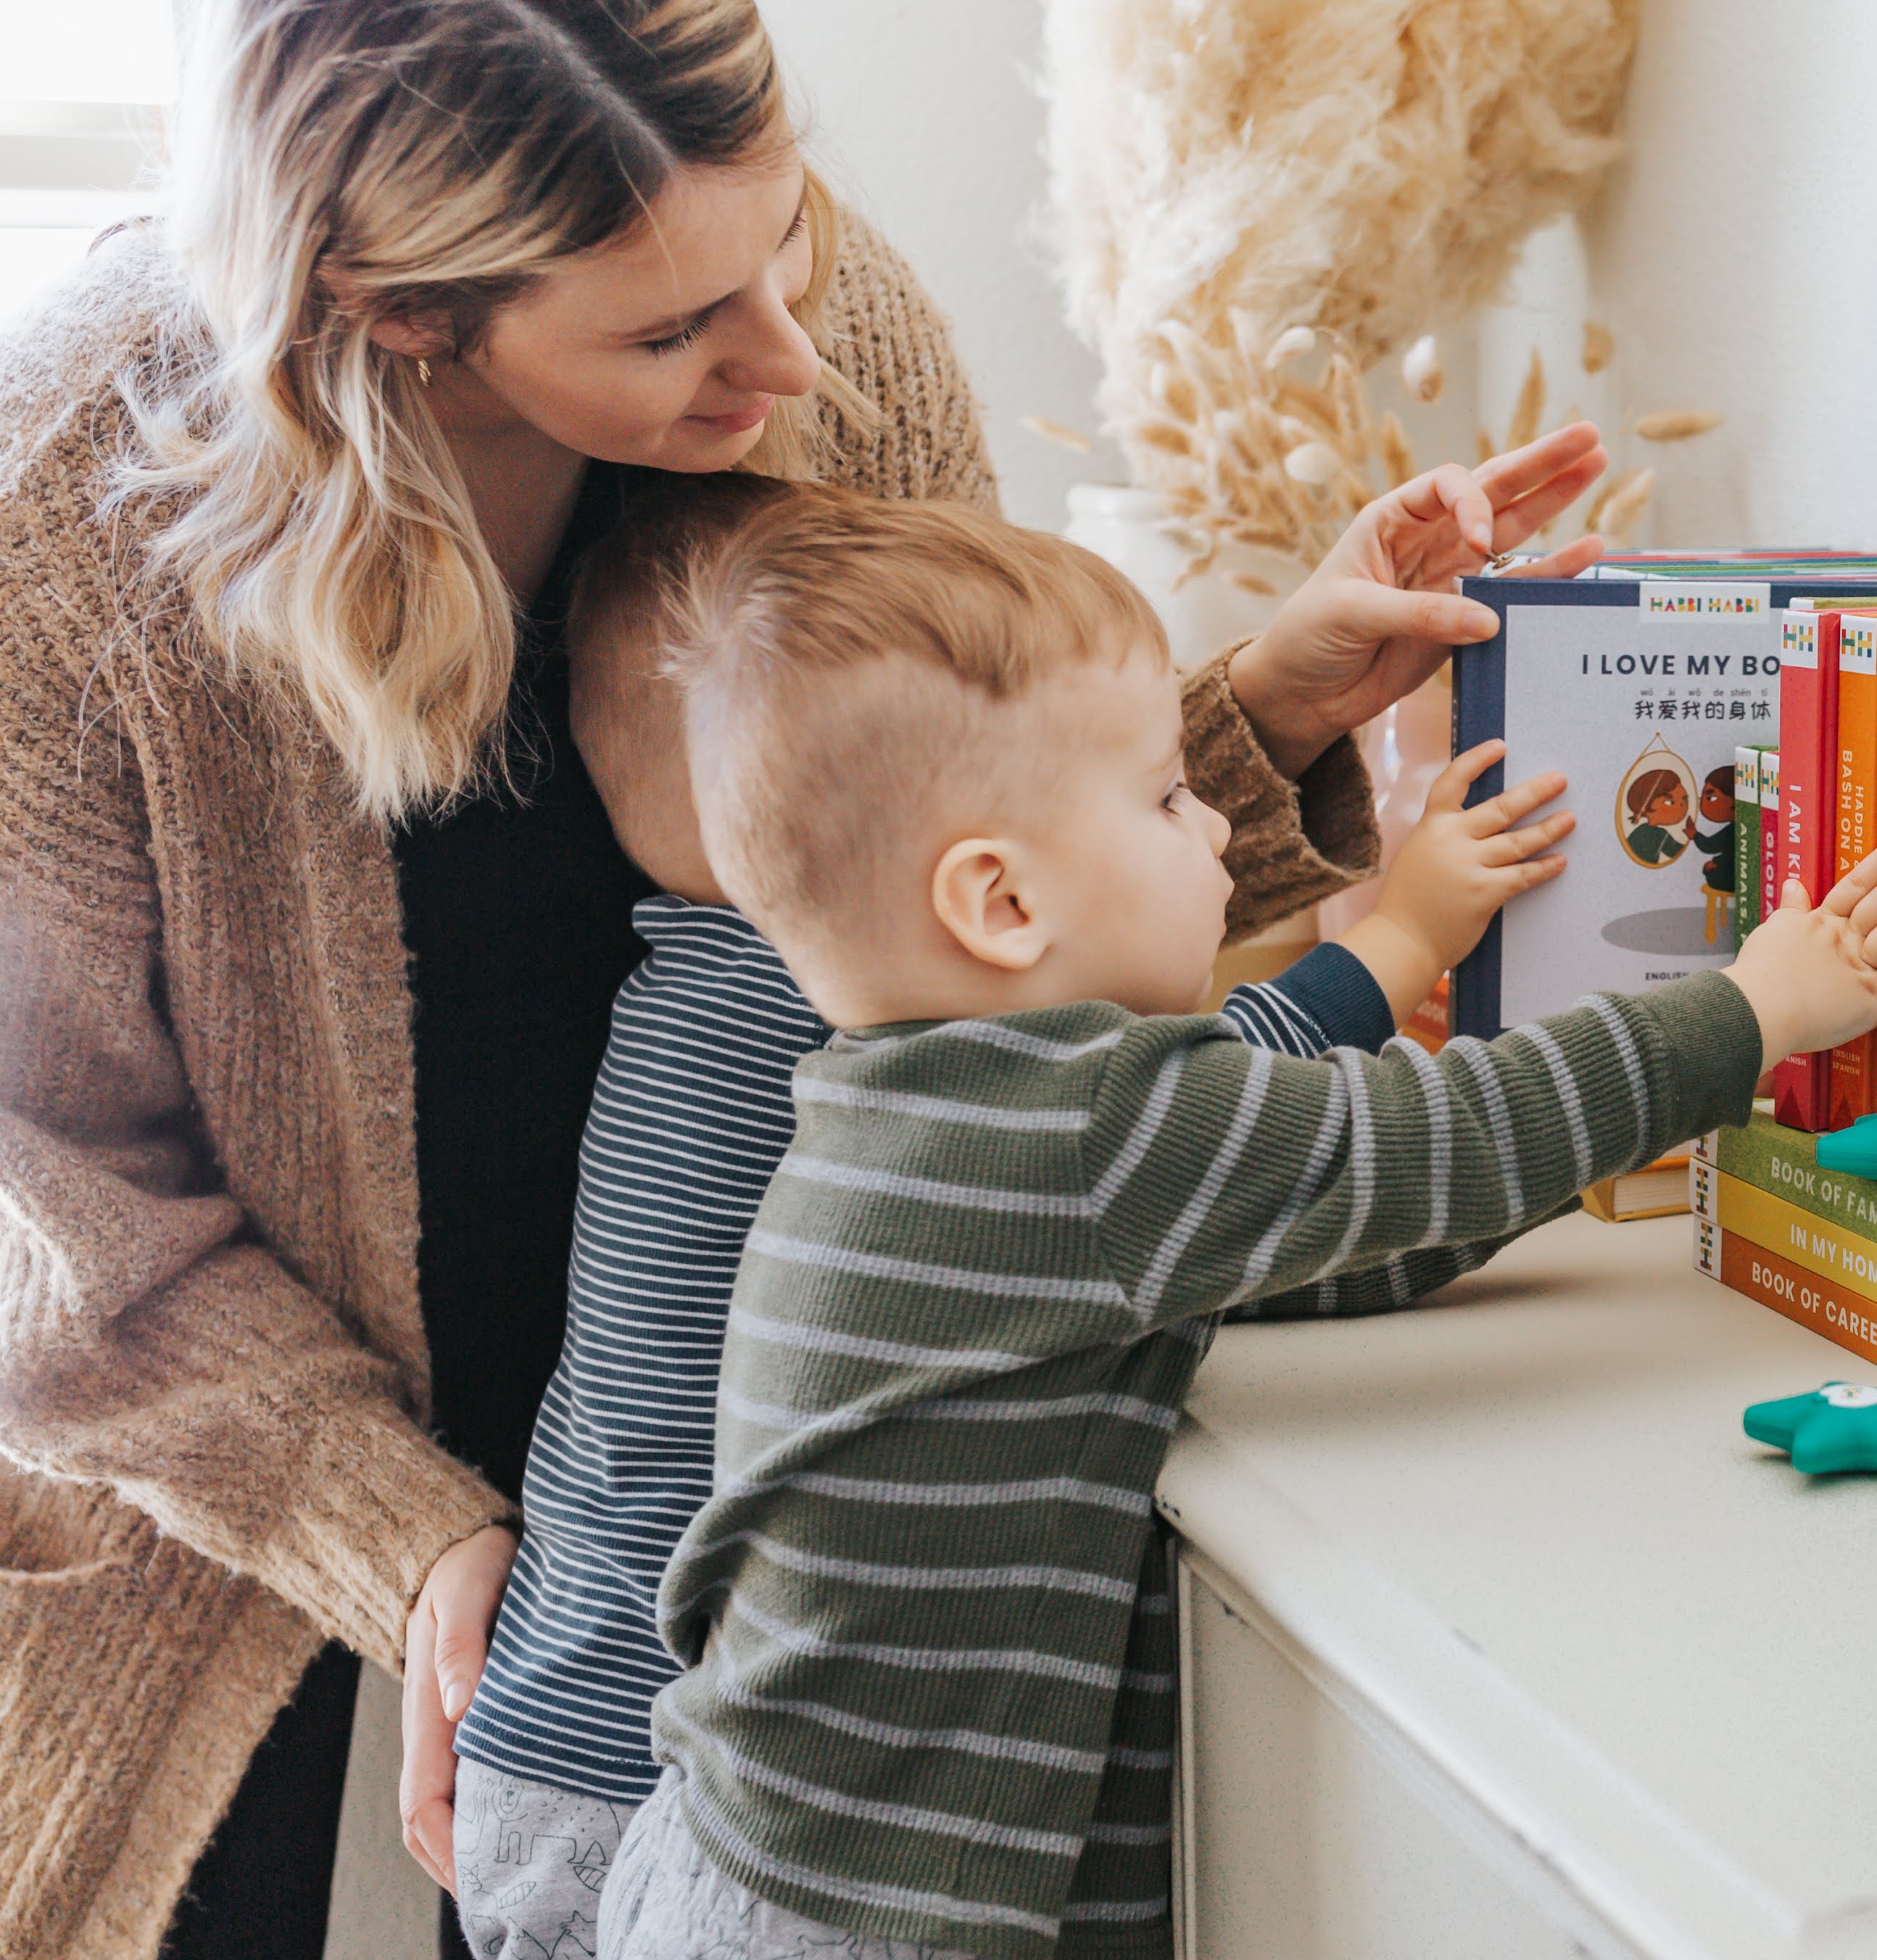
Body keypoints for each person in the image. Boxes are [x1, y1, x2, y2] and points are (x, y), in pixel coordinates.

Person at [0, 0, 1603, 1953]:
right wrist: (406, 1541)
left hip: (729, 1503)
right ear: (400, 313)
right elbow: (62, 1220)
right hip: (237, 1501)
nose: (787, 353)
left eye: (789, 234)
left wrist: (1258, 722)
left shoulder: (828, 343)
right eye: (672, 327)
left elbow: (965, 891)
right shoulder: (61, 520)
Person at [584, 487, 1877, 1957]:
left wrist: (1405, 940)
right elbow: (1437, 1145)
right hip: (865, 1920)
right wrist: (1752, 1010)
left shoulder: (915, 1106)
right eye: (1165, 796)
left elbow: (1288, 1210)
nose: (1218, 814)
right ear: (1001, 900)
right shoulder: (1079, 1136)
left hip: (741, 1856)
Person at [444, 473, 1581, 1959]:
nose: (1194, 826)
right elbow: (1205, 1118)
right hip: (658, 1774)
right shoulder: (833, 1021)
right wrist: (1405, 936)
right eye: (1165, 798)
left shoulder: (698, 995)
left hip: (554, 1724)